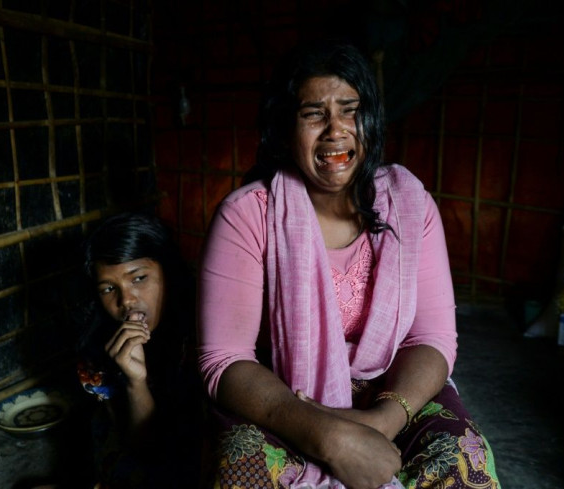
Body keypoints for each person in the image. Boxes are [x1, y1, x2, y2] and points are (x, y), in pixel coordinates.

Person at [197, 40, 501, 489]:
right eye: (314, 113)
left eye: (350, 110)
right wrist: (330, 436)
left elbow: (431, 338)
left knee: (460, 464)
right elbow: (224, 360)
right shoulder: (248, 215)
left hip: (392, 391)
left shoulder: (409, 204)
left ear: (370, 122)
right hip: (284, 395)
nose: (336, 131)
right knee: (245, 471)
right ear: (285, 127)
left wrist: (381, 421)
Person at [72, 211, 205, 489]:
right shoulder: (95, 354)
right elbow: (142, 447)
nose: (126, 300)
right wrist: (135, 382)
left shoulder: (205, 327)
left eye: (139, 278)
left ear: (168, 273)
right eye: (109, 288)